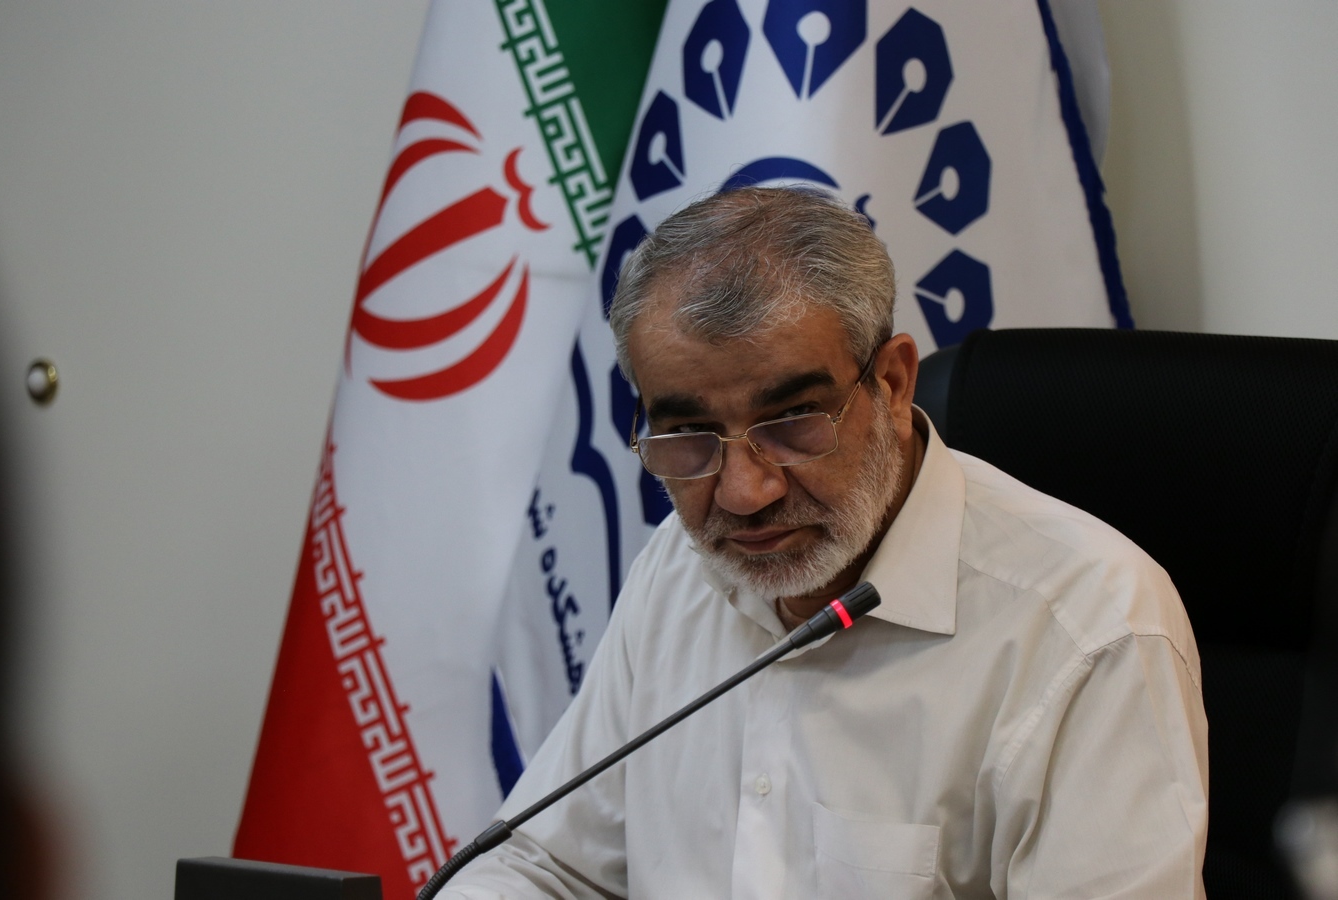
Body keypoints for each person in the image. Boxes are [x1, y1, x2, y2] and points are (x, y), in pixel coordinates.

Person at [441, 187, 1208, 898]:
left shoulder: (1089, 626)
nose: (744, 494)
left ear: (893, 384)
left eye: (792, 421)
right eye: (689, 434)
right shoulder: (679, 564)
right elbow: (543, 863)